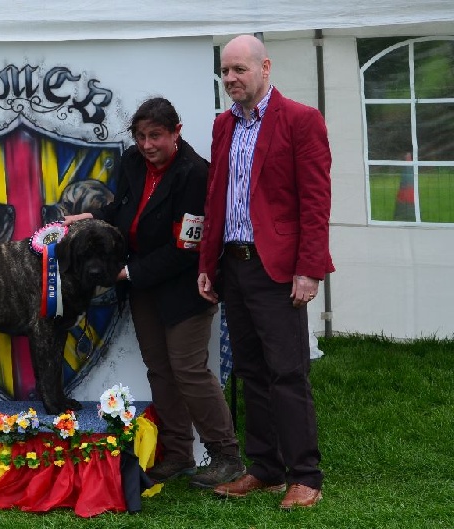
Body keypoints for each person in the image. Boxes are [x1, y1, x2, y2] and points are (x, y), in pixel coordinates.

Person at [65, 97, 244, 488]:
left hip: (185, 288)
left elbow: (187, 247)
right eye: (141, 136)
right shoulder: (131, 161)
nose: (147, 145)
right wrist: (91, 218)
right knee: (160, 371)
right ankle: (178, 454)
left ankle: (227, 455)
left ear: (176, 132)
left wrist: (128, 271)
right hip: (143, 286)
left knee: (189, 370)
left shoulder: (195, 174)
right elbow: (122, 212)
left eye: (156, 136)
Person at [197, 35, 334, 509]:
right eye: (225, 71)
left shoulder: (300, 119)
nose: (230, 78)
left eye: (239, 69)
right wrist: (208, 264)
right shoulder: (223, 124)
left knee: (287, 373)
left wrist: (309, 269)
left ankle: (306, 476)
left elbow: (315, 201)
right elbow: (216, 197)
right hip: (233, 266)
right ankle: (266, 469)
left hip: (278, 269)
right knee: (251, 371)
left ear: (265, 68)